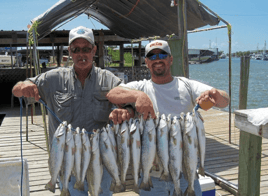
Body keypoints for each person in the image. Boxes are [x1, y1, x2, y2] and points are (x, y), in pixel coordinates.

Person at [12, 26, 132, 196]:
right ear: (69, 51)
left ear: (94, 50)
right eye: (76, 50)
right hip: (66, 159)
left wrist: (126, 110)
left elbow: (129, 102)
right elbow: (17, 90)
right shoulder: (52, 78)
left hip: (102, 160)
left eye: (86, 49)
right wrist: (24, 85)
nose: (81, 54)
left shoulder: (109, 79)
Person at [106, 40, 230, 195]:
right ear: (146, 62)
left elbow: (225, 101)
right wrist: (139, 95)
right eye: (152, 56)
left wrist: (215, 95)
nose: (157, 59)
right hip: (153, 176)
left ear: (170, 59)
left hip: (186, 172)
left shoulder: (187, 85)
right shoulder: (141, 86)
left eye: (162, 54)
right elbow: (112, 94)